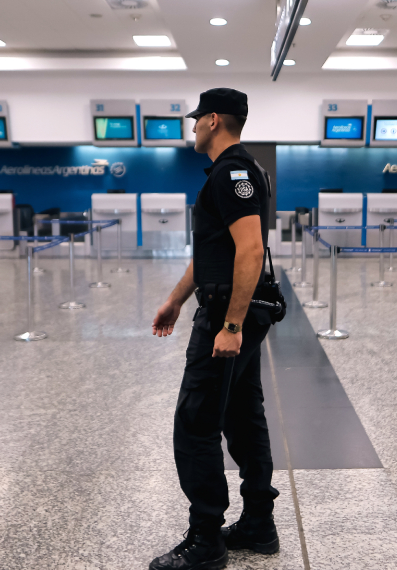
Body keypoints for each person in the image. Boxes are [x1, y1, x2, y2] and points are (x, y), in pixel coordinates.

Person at [149, 88, 280, 570]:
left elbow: (248, 251)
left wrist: (230, 324)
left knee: (195, 425)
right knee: (244, 417)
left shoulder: (233, 172)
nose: (192, 126)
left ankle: (206, 539)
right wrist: (175, 300)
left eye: (197, 118)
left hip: (231, 312)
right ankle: (258, 526)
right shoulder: (237, 171)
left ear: (214, 120)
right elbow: (214, 253)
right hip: (236, 306)